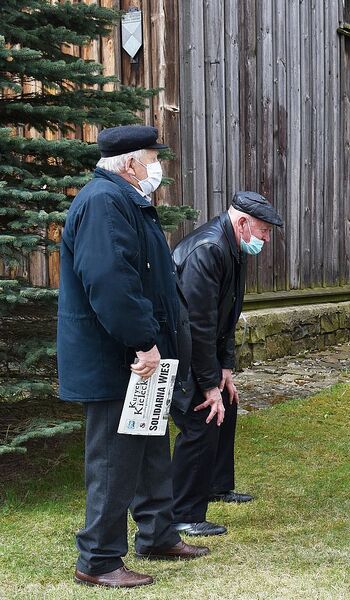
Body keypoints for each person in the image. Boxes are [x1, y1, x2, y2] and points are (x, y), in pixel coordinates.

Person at [57, 125, 209, 588]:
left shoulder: (126, 201)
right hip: (117, 358)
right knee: (113, 458)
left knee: (148, 446)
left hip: (142, 354)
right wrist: (144, 342)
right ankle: (99, 560)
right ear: (129, 164)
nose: (157, 167)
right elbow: (111, 283)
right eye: (151, 157)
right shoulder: (104, 202)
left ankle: (157, 534)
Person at [169, 192, 283, 536]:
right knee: (201, 416)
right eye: (263, 231)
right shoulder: (208, 250)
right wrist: (208, 384)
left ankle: (217, 485)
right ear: (243, 223)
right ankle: (183, 513)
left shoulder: (233, 247)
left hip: (201, 343)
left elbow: (226, 316)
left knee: (227, 405)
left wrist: (226, 372)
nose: (266, 240)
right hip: (181, 347)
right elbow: (198, 325)